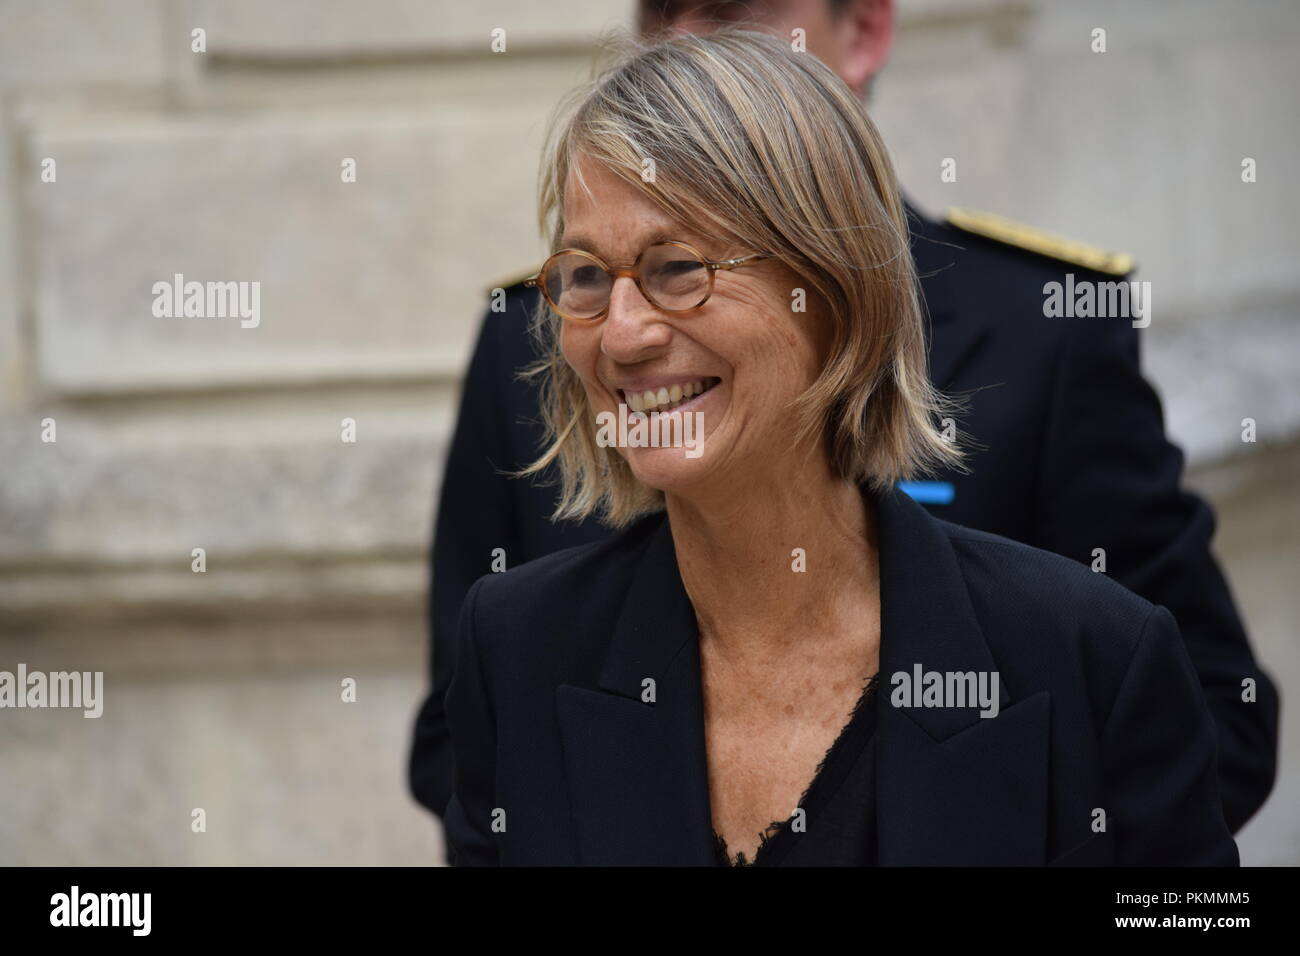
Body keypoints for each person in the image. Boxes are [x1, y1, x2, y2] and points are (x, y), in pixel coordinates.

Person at [410, 0, 1278, 846]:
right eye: (587, 275)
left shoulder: (1091, 649)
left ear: (831, 291)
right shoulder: (521, 640)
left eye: (680, 267)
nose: (626, 332)